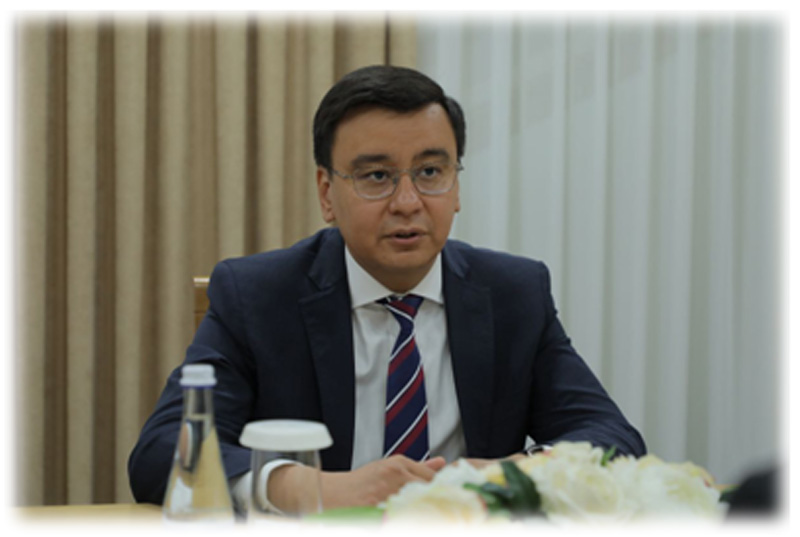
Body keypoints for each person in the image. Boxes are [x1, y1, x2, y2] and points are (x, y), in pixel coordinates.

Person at [128, 65, 646, 513]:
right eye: (377, 176)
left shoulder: (514, 293)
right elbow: (162, 452)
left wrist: (510, 476)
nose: (408, 202)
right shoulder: (257, 295)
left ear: (456, 185)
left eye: (430, 172)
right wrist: (312, 488)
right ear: (327, 193)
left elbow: (614, 440)